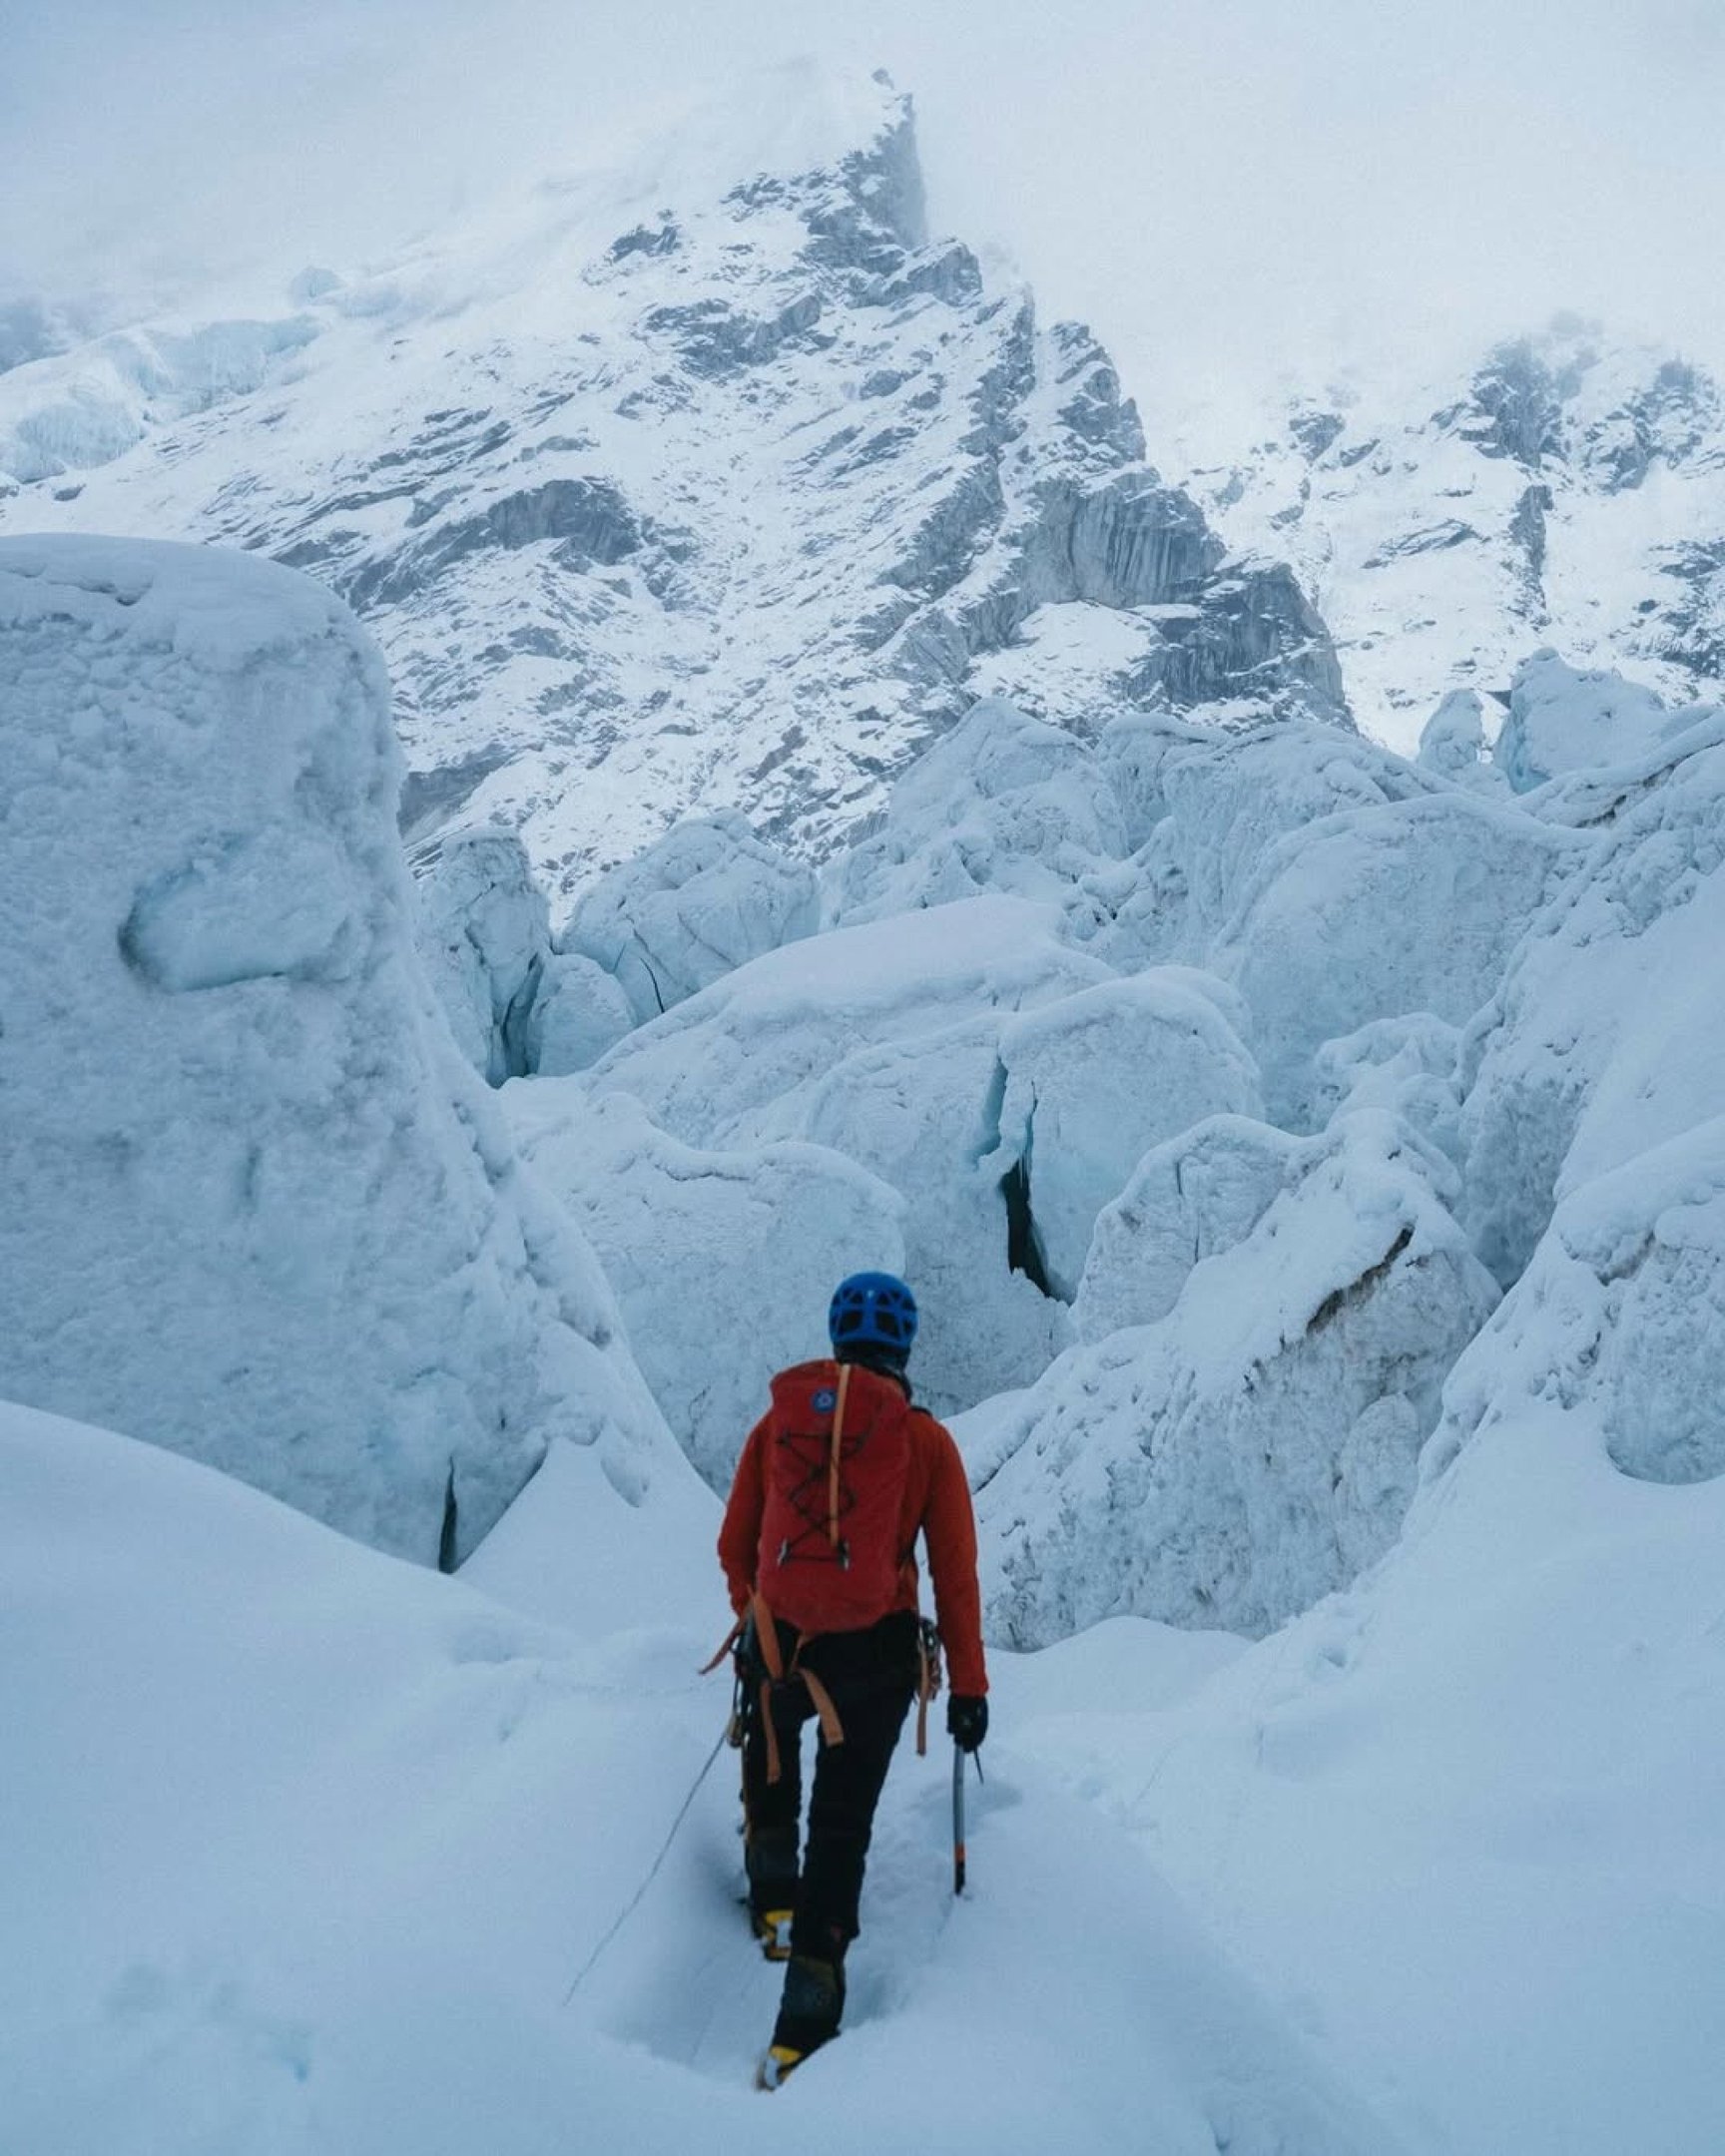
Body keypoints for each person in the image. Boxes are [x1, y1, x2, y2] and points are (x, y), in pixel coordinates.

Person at [717, 1271, 989, 2081]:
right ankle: (802, 2024)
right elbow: (956, 1572)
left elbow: (736, 1545)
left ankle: (771, 1900)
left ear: (836, 1341)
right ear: (904, 1347)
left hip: (781, 1642)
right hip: (875, 1660)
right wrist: (969, 1687)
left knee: (770, 1751)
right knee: (842, 1828)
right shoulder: (926, 1442)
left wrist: (759, 1618)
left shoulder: (779, 1426)